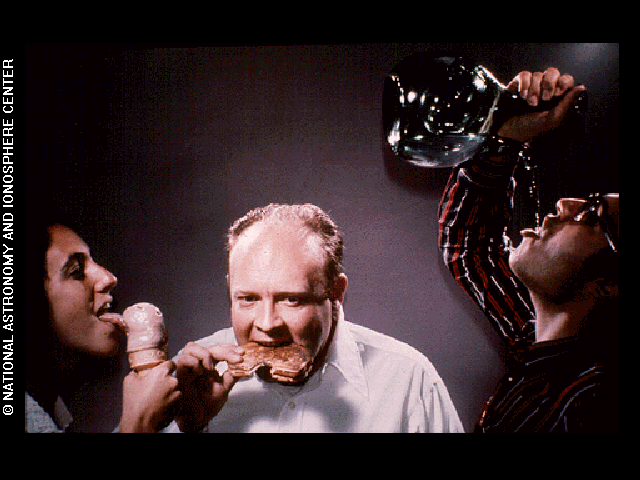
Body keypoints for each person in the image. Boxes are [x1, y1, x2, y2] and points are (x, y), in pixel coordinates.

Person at [164, 203, 463, 432]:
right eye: (248, 299)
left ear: (337, 292)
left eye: (292, 299)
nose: (267, 324)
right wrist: (188, 427)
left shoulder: (408, 381)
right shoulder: (192, 380)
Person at [438, 68, 619, 432]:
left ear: (609, 283)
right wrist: (507, 138)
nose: (566, 203)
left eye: (592, 217)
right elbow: (469, 247)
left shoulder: (595, 403)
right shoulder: (533, 340)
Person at [25, 213, 181, 432]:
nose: (109, 278)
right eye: (76, 271)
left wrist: (190, 423)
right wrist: (139, 424)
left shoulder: (49, 406)